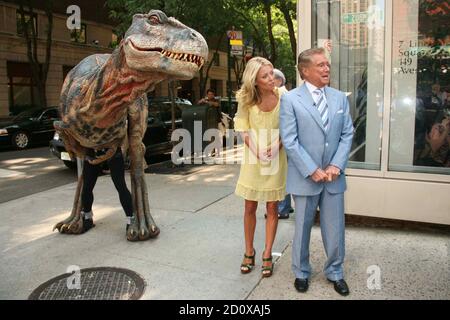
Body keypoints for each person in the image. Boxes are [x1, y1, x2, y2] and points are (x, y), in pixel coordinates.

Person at [280, 47, 354, 296]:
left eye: (327, 64)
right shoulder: (290, 99)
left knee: (335, 228)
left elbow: (347, 133)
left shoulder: (339, 98)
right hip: (305, 178)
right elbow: (289, 140)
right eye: (321, 65)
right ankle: (301, 272)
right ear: (305, 70)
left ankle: (335, 271)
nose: (326, 68)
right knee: (301, 227)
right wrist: (311, 169)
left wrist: (336, 164)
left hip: (334, 178)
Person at [234, 57, 287, 278]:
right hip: (253, 157)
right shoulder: (245, 98)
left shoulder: (284, 96)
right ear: (254, 80)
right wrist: (257, 150)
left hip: (276, 156)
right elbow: (242, 127)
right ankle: (249, 251)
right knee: (249, 207)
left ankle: (267, 252)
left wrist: (277, 145)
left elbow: (290, 125)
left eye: (272, 73)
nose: (271, 79)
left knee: (273, 208)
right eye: (265, 76)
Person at [80, 147, 135, 236]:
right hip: (92, 152)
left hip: (112, 151)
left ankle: (131, 220)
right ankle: (87, 217)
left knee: (121, 186)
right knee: (87, 187)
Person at [273, 68, 293, 219]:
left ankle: (282, 208)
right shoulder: (286, 95)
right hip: (283, 141)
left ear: (279, 81)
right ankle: (286, 206)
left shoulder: (282, 96)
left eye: (271, 78)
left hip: (281, 142)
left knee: (281, 176)